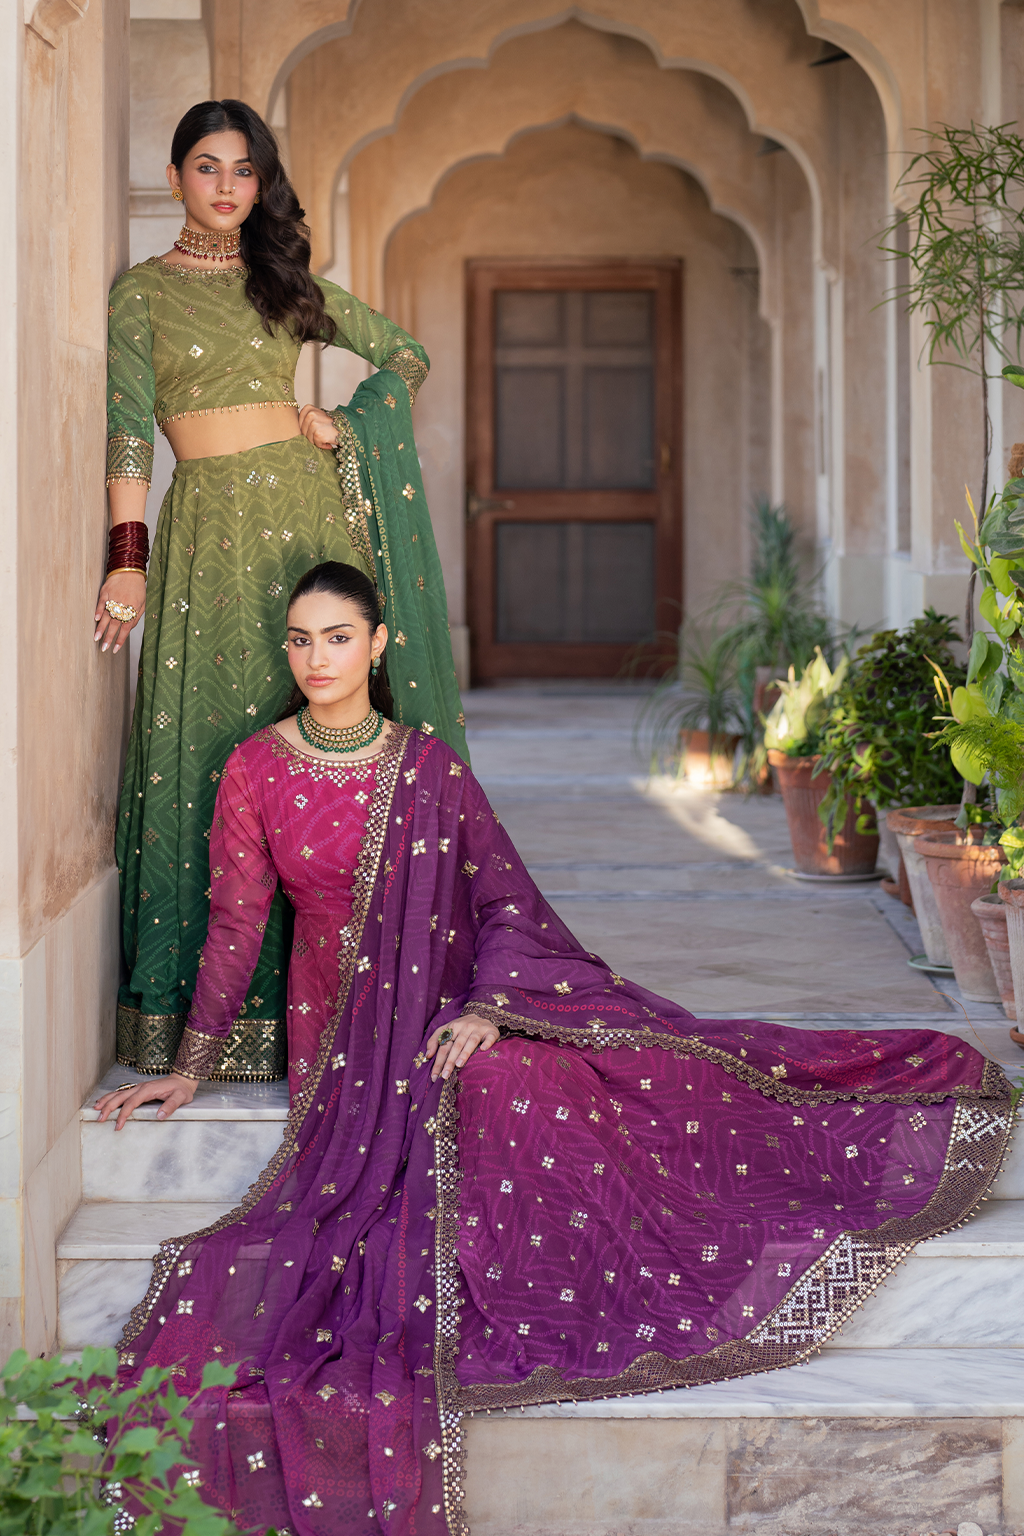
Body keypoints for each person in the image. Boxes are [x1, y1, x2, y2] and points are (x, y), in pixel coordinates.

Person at [95, 560, 1014, 1536]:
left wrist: (493, 1006)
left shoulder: (430, 769)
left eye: (337, 637)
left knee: (539, 1071)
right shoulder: (256, 767)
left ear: (378, 644)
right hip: (347, 1037)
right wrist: (189, 1068)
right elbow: (238, 924)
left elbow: (503, 902)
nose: (316, 658)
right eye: (300, 639)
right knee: (473, 1108)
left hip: (457, 998)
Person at [98, 99, 465, 1085]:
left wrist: (350, 423)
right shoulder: (141, 295)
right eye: (207, 166)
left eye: (244, 170)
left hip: (304, 524)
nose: (226, 186)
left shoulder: (283, 282)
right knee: (209, 748)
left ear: (261, 184)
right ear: (174, 177)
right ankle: (208, 1016)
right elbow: (128, 429)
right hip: (206, 535)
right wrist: (127, 556)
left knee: (309, 732)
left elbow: (407, 354)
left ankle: (339, 1001)